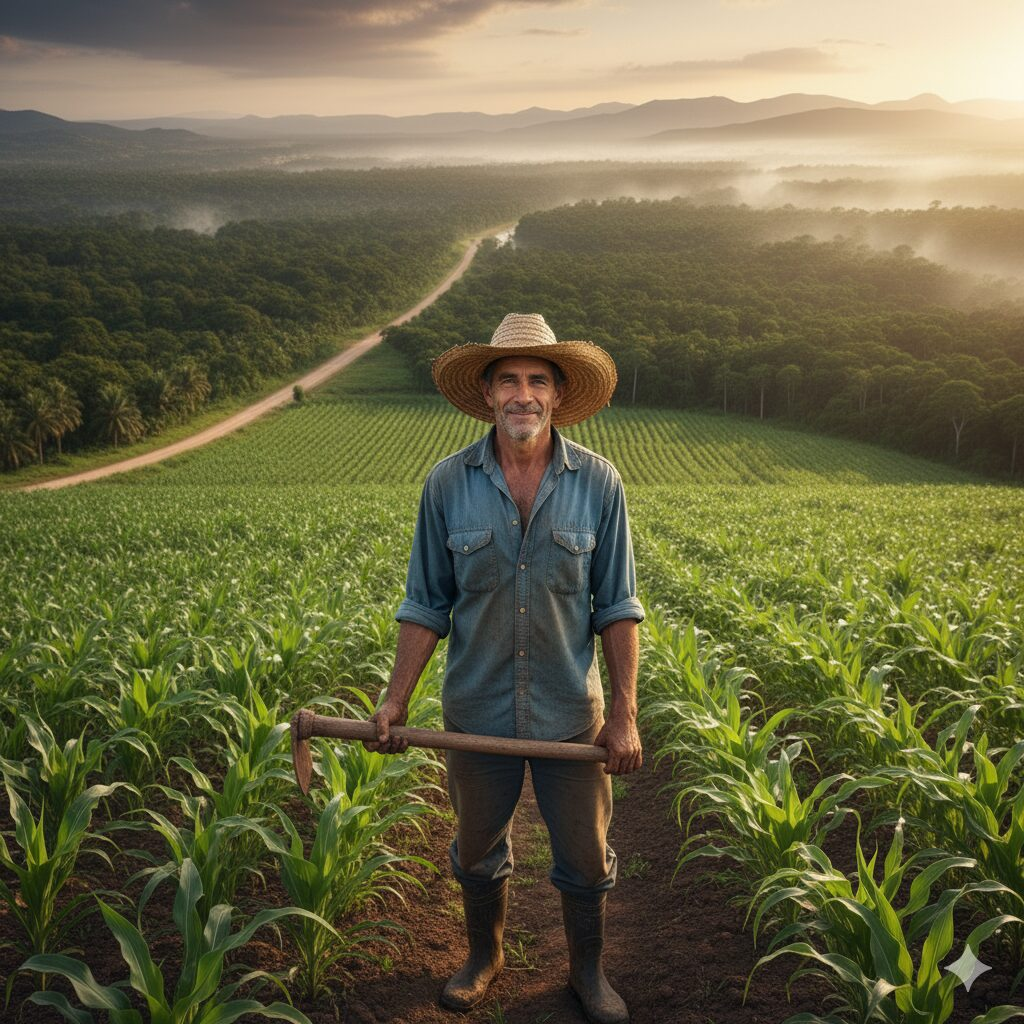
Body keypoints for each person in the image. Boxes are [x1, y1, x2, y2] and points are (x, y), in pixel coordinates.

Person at [365, 312, 643, 1024]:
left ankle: (587, 971)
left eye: (537, 381)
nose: (523, 394)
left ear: (556, 395)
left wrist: (622, 715)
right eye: (509, 380)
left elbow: (616, 606)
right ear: (487, 393)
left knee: (584, 858)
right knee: (477, 850)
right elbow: (426, 602)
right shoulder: (446, 485)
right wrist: (395, 703)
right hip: (475, 713)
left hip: (566, 716)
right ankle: (483, 958)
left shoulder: (599, 485)